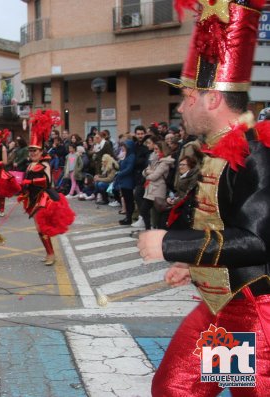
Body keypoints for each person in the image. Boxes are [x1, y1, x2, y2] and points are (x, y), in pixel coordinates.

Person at [138, 2, 270, 395]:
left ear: (213, 99)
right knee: (175, 389)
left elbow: (257, 240)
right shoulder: (217, 149)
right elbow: (219, 223)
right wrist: (190, 261)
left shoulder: (255, 155)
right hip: (223, 310)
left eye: (188, 97)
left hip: (256, 316)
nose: (180, 107)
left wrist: (169, 244)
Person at [18, 109, 75, 266]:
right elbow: (26, 180)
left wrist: (30, 183)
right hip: (33, 198)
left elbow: (47, 181)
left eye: (34, 150)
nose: (32, 153)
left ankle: (51, 254)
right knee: (39, 228)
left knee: (41, 227)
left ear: (41, 150)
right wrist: (23, 190)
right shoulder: (30, 165)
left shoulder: (44, 163)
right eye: (30, 150)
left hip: (44, 198)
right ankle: (49, 253)